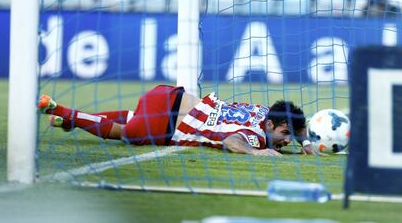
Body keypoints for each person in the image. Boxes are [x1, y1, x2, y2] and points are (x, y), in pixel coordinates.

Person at [38, 85, 316, 156]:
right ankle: (59, 108)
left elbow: (293, 123)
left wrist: (305, 142)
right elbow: (232, 142)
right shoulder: (256, 135)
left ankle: (72, 121)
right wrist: (257, 153)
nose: (287, 140)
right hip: (168, 124)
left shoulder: (261, 110)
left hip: (168, 95)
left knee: (131, 120)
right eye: (284, 134)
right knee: (123, 134)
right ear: (269, 126)